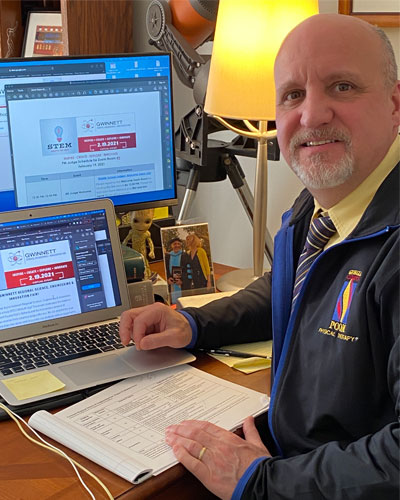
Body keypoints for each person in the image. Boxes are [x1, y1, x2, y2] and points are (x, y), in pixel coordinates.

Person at [119, 13, 399, 500]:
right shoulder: (321, 207)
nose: (311, 116)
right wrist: (195, 324)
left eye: (343, 86)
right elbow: (292, 288)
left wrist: (264, 484)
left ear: (395, 105)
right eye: (293, 95)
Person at [164, 237, 192, 304]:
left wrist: (182, 280)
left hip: (182, 285)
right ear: (172, 245)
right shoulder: (167, 257)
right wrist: (168, 278)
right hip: (171, 284)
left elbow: (189, 270)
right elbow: (166, 270)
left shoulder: (185, 255)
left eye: (178, 243)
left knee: (183, 303)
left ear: (180, 245)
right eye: (174, 244)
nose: (177, 245)